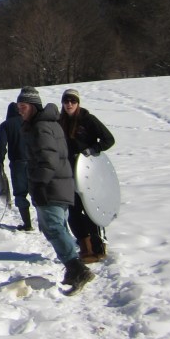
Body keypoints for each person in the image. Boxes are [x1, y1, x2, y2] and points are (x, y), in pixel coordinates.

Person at [15, 86, 93, 291]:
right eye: (18, 107)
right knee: (56, 227)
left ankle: (77, 269)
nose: (19, 110)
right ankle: (73, 268)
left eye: (22, 106)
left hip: (51, 187)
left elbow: (48, 161)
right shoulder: (46, 124)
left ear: (32, 106)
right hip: (58, 185)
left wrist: (39, 184)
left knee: (53, 227)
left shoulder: (41, 127)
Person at [59, 88, 116, 263]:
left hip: (88, 172)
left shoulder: (88, 120)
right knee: (74, 212)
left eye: (73, 101)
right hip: (67, 172)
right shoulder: (59, 121)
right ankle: (85, 249)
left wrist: (93, 150)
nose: (69, 104)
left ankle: (98, 247)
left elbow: (109, 139)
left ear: (78, 103)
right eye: (66, 101)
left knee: (91, 209)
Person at [0, 102, 32, 231]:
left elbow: (1, 145)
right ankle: (45, 224)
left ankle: (27, 224)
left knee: (21, 194)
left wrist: (0, 161)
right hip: (35, 161)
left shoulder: (6, 125)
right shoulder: (28, 121)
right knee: (37, 192)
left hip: (18, 163)